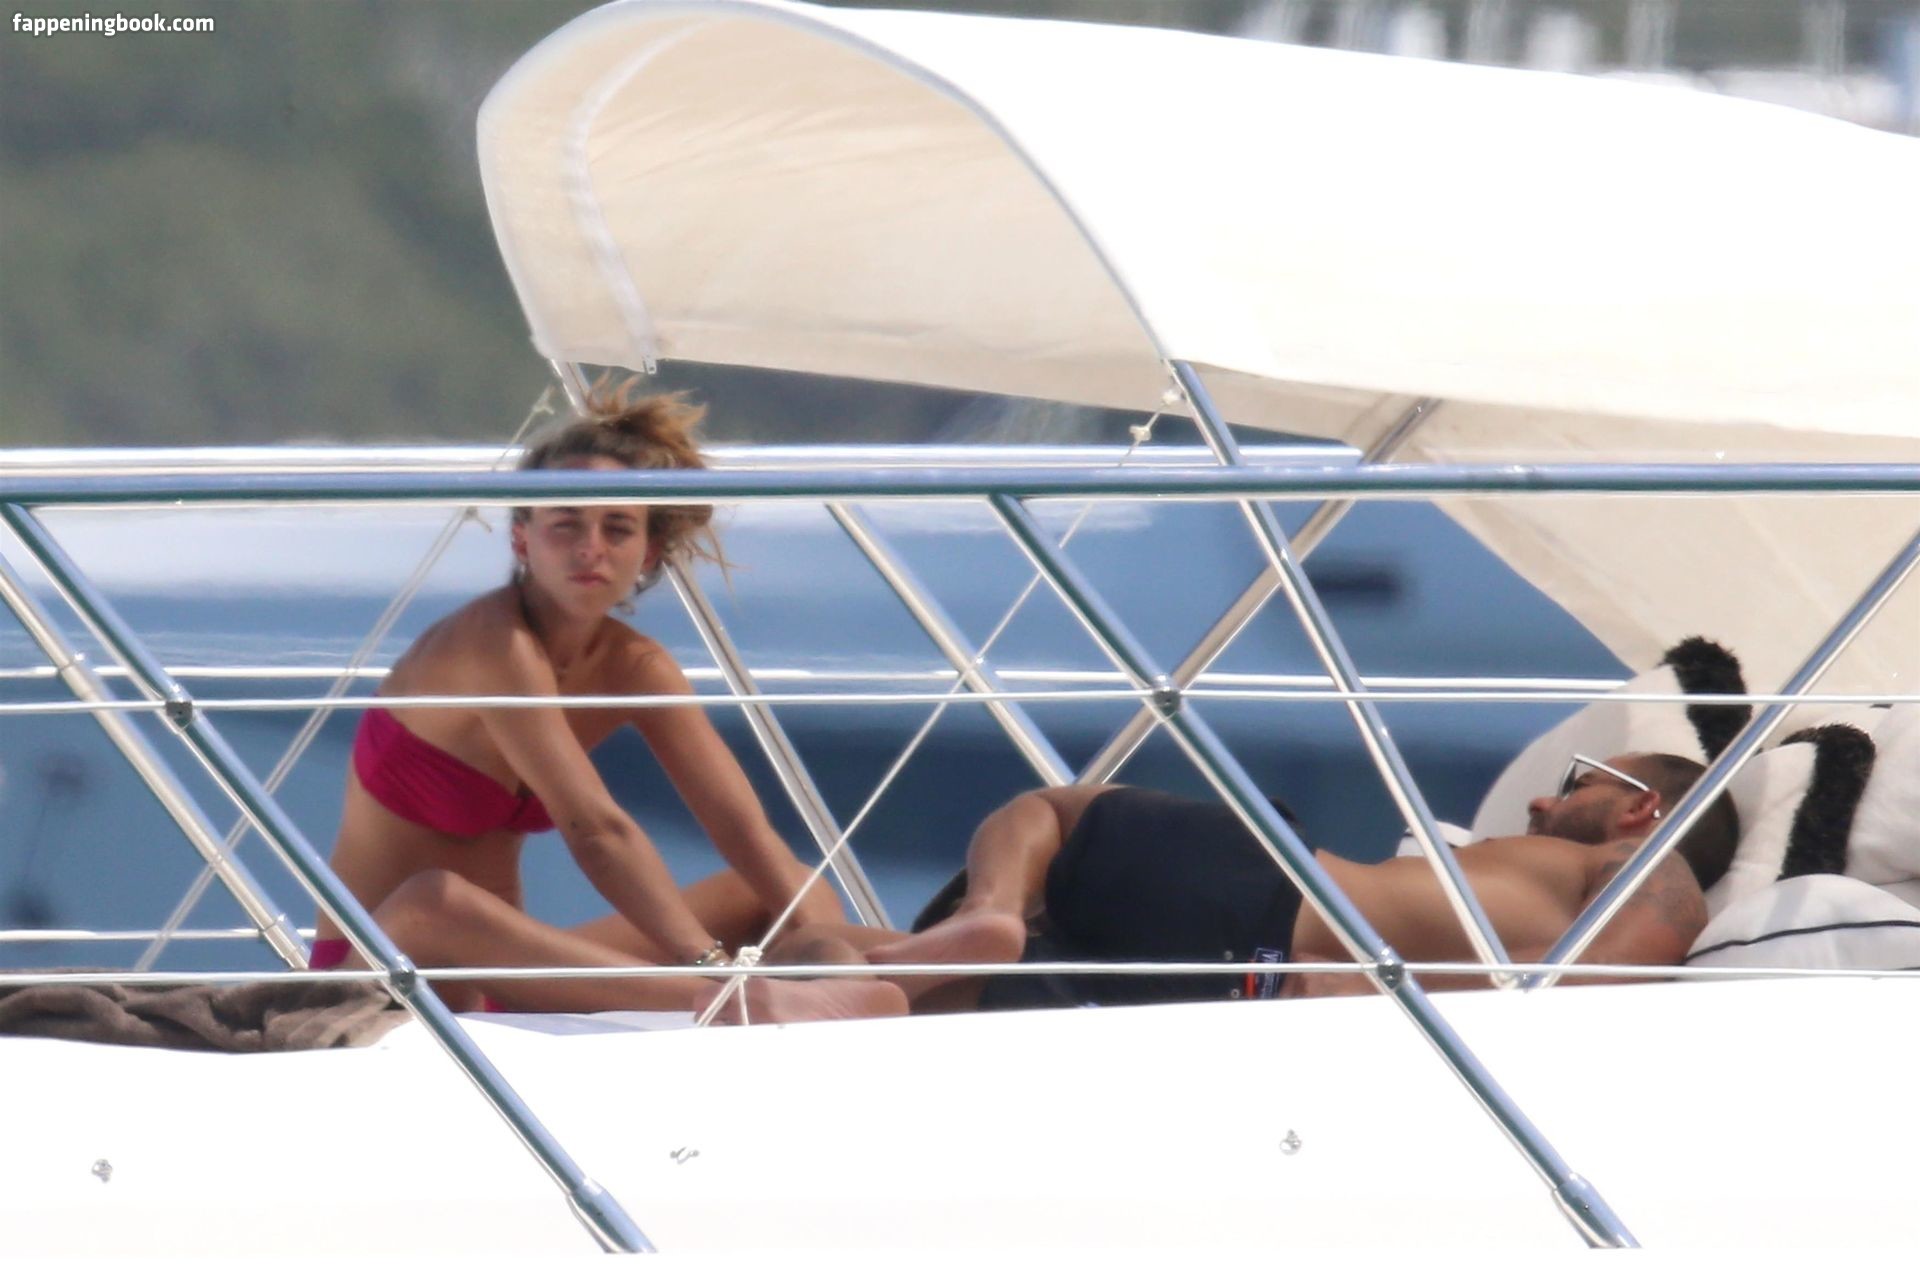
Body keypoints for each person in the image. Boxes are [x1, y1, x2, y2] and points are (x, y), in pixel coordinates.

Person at [313, 386, 843, 1011]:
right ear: (522, 540)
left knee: (778, 889)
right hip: (382, 972)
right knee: (436, 900)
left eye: (617, 528)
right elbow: (596, 831)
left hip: (500, 983)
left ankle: (883, 975)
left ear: (646, 552)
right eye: (566, 523)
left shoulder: (635, 667)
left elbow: (744, 831)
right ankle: (736, 999)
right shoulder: (492, 644)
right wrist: (709, 964)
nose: (591, 547)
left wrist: (822, 943)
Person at [705, 752, 1740, 1022]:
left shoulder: (1653, 873)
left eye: (1579, 782)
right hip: (1256, 970)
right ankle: (886, 973)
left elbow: (1577, 996)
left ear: (1643, 807)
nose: (1544, 802)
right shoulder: (1569, 877)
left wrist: (1387, 996)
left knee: (1053, 811)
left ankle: (986, 913)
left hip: (1266, 894)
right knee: (885, 977)